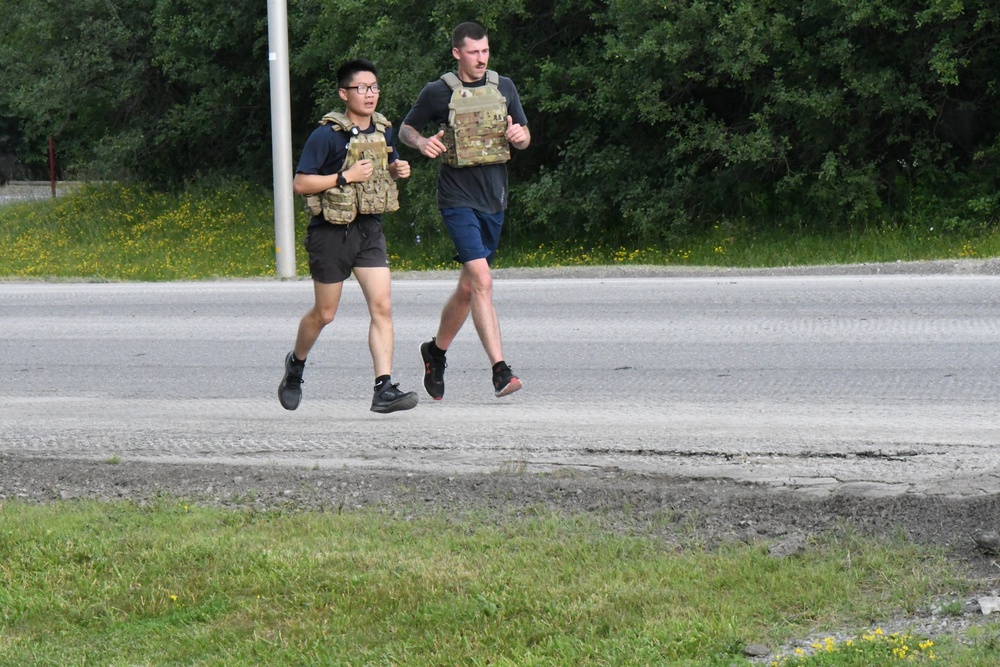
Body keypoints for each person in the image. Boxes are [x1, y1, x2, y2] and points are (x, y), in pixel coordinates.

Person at [400, 21, 531, 401]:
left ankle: (435, 352)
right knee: (483, 281)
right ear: (457, 53)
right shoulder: (437, 92)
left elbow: (523, 132)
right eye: (473, 52)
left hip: (494, 197)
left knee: (468, 287)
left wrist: (521, 137)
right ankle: (500, 370)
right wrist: (421, 142)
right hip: (456, 197)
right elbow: (407, 129)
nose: (480, 58)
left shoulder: (503, 86)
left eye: (485, 51)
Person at [278, 58, 418, 414]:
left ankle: (383, 388)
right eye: (361, 88)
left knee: (382, 306)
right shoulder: (326, 135)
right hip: (331, 232)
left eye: (373, 88)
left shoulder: (384, 131)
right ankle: (295, 365)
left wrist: (396, 169)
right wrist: (344, 177)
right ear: (344, 93)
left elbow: (384, 169)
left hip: (369, 229)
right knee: (325, 313)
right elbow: (300, 183)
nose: (369, 95)